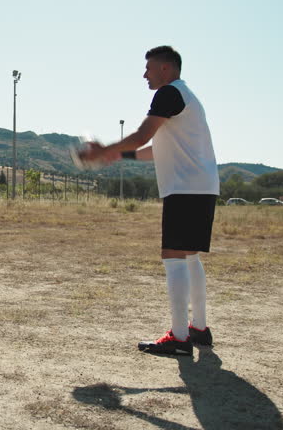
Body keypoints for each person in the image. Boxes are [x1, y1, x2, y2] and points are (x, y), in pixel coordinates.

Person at [81, 46, 218, 355]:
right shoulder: (185, 97)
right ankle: (198, 328)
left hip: (185, 189)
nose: (145, 74)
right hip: (202, 187)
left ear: (166, 69)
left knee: (173, 255)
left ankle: (180, 338)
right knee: (190, 256)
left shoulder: (168, 93)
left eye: (149, 68)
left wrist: (103, 150)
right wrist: (118, 155)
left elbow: (142, 136)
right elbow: (155, 150)